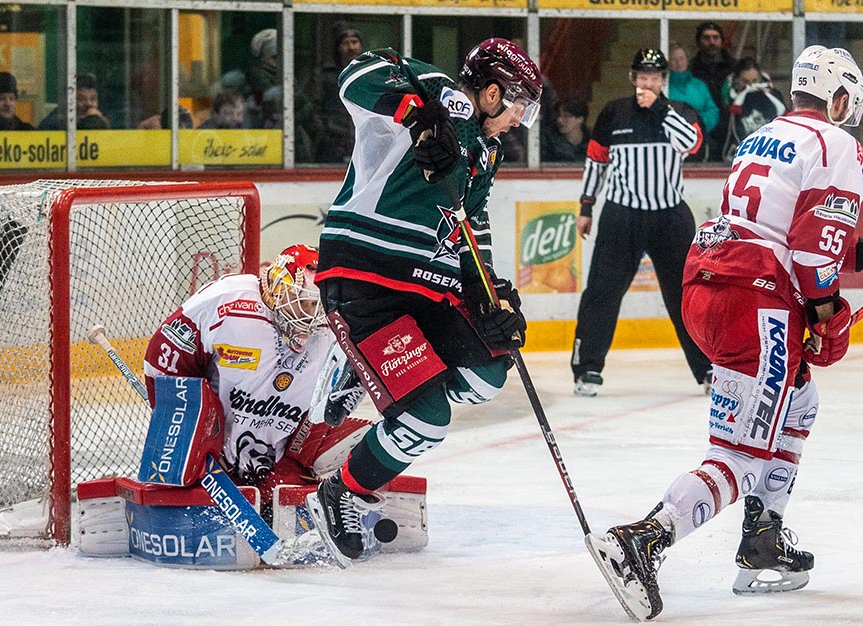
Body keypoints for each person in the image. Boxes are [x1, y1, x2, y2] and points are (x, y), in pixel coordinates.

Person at [588, 45, 863, 621]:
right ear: (839, 97)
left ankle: (764, 534)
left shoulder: (763, 134)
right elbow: (816, 248)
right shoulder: (837, 143)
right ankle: (644, 540)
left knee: (800, 402)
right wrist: (826, 313)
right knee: (737, 456)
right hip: (756, 299)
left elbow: (787, 222)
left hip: (708, 279)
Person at [304, 39, 542, 565]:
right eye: (519, 106)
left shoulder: (488, 149)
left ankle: (379, 378)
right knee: (427, 419)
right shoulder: (441, 95)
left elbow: (470, 225)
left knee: (488, 371)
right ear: (494, 92)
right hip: (367, 279)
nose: (519, 121)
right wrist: (417, 118)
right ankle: (342, 490)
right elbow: (355, 76)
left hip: (429, 286)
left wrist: (490, 294)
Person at [143, 245, 373, 523]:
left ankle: (287, 481)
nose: (311, 316)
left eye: (318, 304)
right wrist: (181, 426)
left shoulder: (333, 327)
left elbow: (329, 404)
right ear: (278, 290)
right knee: (188, 442)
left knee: (354, 436)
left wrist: (291, 465)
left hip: (279, 452)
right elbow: (164, 358)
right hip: (213, 452)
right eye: (304, 303)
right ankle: (196, 477)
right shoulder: (229, 301)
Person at [572, 49, 711, 397]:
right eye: (642, 77)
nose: (647, 84)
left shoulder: (679, 111)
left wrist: (661, 108)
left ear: (663, 81)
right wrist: (586, 205)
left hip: (670, 215)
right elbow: (596, 161)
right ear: (633, 78)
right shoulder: (614, 112)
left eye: (654, 78)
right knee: (602, 292)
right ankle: (587, 368)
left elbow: (691, 144)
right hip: (623, 213)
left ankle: (709, 368)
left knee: (687, 296)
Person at [715, 57, 787, 162]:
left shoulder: (774, 98)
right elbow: (724, 136)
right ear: (736, 80)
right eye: (745, 82)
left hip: (772, 157)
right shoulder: (728, 101)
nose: (751, 86)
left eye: (754, 81)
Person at [313, 22, 365, 163]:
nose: (351, 47)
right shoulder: (324, 75)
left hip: (362, 140)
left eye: (354, 42)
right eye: (345, 43)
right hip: (333, 143)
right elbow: (315, 108)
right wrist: (325, 133)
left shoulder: (368, 73)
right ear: (338, 48)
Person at [668, 42, 719, 160]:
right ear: (668, 62)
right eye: (674, 59)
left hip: (698, 138)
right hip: (671, 141)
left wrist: (700, 124)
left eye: (681, 58)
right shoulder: (662, 85)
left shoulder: (699, 85)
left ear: (687, 60)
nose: (678, 63)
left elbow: (712, 110)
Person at [690, 21, 736, 110]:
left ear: (722, 41)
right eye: (706, 38)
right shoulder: (691, 69)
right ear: (698, 42)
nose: (712, 42)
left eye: (716, 38)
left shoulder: (734, 68)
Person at [38, 73, 110, 130]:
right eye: (81, 99)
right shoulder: (55, 121)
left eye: (93, 99)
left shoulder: (100, 117)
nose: (89, 104)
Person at [540, 97, 590, 162]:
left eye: (566, 116)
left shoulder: (592, 139)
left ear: (580, 119)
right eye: (558, 115)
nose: (559, 120)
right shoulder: (547, 138)